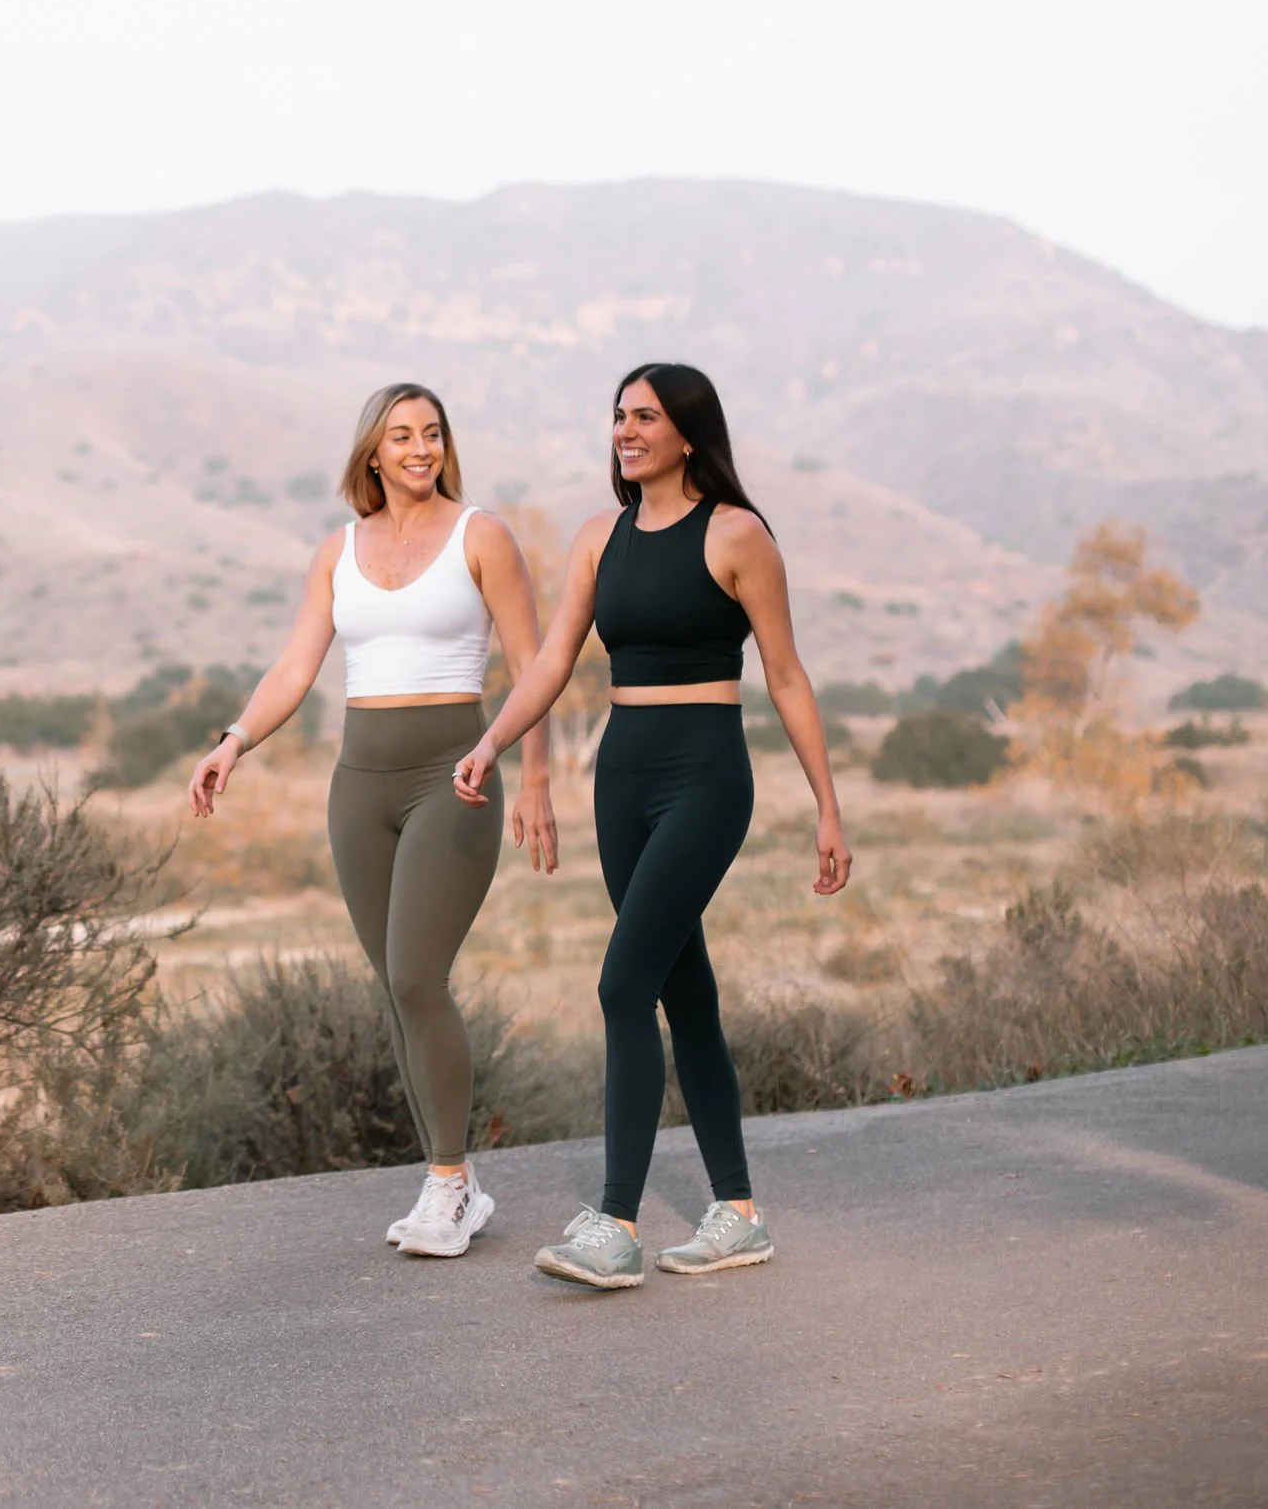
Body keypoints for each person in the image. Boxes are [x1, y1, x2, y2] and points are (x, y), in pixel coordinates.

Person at [452, 363, 852, 1289]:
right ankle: (739, 1211)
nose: (626, 430)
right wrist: (491, 744)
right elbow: (552, 660)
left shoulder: (738, 535)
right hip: (622, 779)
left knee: (623, 982)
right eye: (619, 416)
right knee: (686, 993)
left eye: (645, 417)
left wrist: (827, 805)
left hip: (706, 777)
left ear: (687, 433)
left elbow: (786, 676)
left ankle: (616, 1220)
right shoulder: (601, 537)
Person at [188, 382, 559, 1257]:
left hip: (454, 777)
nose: (420, 448)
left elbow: (532, 665)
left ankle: (445, 1181)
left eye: (433, 433)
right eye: (402, 435)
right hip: (359, 786)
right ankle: (454, 1185)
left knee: (419, 976)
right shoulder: (337, 551)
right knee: (397, 987)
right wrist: (233, 740)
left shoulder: (483, 536)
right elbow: (294, 666)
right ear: (373, 453)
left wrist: (533, 776)